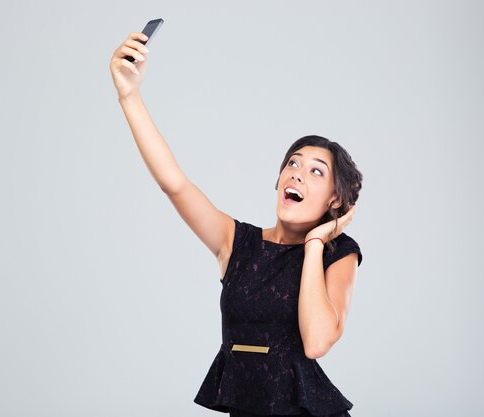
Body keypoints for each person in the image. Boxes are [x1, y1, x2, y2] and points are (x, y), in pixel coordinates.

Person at [109, 31, 364, 417]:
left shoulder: (338, 253)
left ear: (334, 200)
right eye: (292, 164)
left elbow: (315, 343)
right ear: (278, 180)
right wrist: (130, 96)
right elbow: (174, 184)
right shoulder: (236, 242)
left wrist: (315, 244)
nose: (297, 174)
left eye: (316, 171)